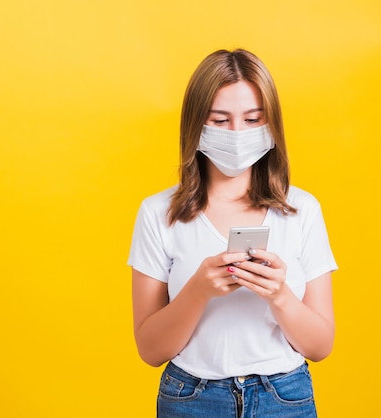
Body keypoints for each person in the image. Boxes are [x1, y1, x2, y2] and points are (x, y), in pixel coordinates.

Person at [128, 49, 337, 417]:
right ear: (196, 125)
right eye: (220, 120)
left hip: (285, 398)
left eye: (253, 119)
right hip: (191, 399)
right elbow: (150, 350)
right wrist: (198, 290)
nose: (238, 134)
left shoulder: (303, 210)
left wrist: (279, 295)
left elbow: (320, 346)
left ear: (271, 125)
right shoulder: (158, 214)